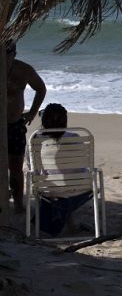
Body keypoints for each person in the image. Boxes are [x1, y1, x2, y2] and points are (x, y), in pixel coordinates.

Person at [37, 103, 93, 236]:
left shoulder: (36, 140)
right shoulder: (76, 138)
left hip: (49, 189)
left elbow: (32, 167)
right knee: (68, 182)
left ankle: (59, 226)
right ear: (65, 121)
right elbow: (84, 164)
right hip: (80, 188)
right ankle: (70, 226)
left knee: (56, 185)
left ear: (43, 121)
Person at [6, 41, 47, 214]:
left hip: (14, 124)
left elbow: (41, 88)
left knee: (15, 167)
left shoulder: (23, 70)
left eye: (7, 52)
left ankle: (18, 204)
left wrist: (32, 113)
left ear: (14, 53)